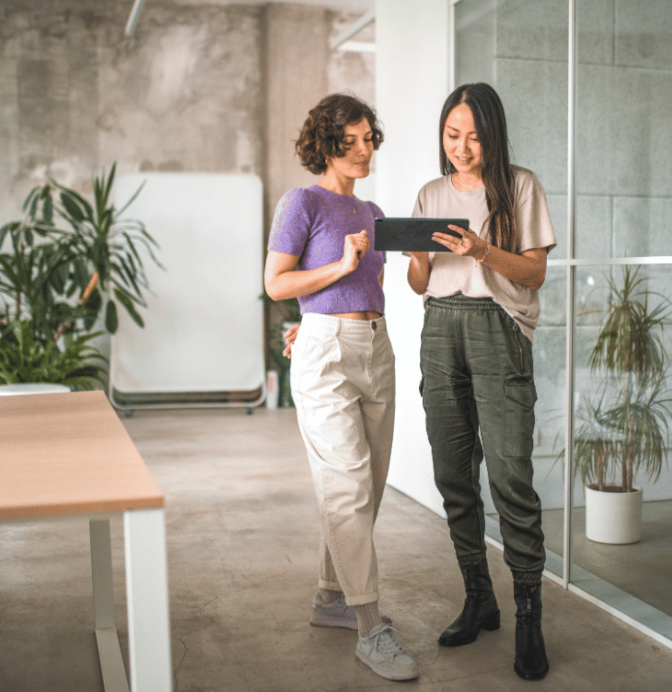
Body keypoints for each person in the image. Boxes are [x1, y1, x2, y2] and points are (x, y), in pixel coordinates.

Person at [264, 93, 419, 681]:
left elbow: (364, 291)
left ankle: (330, 597)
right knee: (348, 485)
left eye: (368, 138)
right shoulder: (301, 202)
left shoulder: (373, 210)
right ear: (324, 145)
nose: (363, 149)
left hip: (377, 348)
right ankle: (370, 627)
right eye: (349, 141)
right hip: (327, 354)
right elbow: (277, 283)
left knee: (368, 486)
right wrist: (335, 276)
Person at [406, 82, 556, 681]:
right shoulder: (429, 193)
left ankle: (528, 617)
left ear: (492, 135)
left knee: (512, 478)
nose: (462, 148)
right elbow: (420, 282)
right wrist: (417, 255)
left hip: (499, 328)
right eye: (452, 135)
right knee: (452, 473)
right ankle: (479, 597)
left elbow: (535, 273)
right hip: (440, 328)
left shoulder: (520, 186)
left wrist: (481, 250)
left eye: (472, 136)